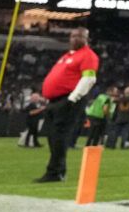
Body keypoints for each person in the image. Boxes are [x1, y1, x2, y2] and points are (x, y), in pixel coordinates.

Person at [33, 27, 99, 184]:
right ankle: (58, 170)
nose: (76, 38)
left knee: (59, 136)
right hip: (56, 100)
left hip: (68, 100)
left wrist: (72, 98)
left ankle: (55, 172)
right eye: (73, 35)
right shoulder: (68, 56)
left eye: (80, 36)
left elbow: (89, 79)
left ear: (86, 39)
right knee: (52, 136)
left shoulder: (88, 55)